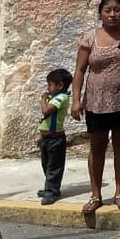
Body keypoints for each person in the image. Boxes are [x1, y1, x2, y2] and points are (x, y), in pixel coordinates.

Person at [71, 0, 120, 214]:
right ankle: (96, 194)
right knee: (97, 147)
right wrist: (76, 100)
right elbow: (79, 70)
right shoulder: (90, 38)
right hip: (96, 102)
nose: (113, 14)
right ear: (100, 14)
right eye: (108, 10)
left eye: (117, 10)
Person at [38, 68, 73, 205]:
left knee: (54, 166)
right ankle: (51, 187)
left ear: (60, 86)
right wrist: (41, 137)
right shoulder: (54, 98)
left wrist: (43, 100)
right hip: (46, 138)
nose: (48, 88)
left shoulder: (61, 98)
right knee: (46, 164)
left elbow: (46, 111)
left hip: (55, 139)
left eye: (50, 85)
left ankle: (51, 191)